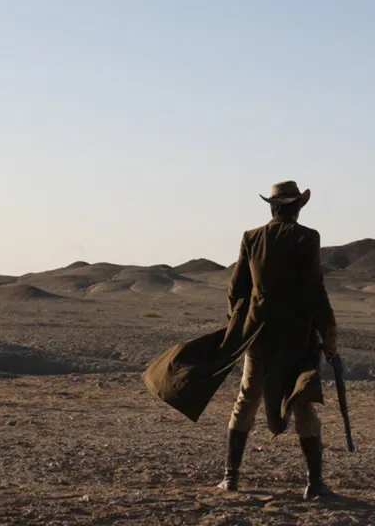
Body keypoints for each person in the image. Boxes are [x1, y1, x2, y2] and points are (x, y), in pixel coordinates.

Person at [141, 181, 340, 500]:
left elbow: (236, 290)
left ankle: (230, 478)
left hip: (256, 335)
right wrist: (328, 334)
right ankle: (314, 483)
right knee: (301, 399)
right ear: (297, 207)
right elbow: (314, 290)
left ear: (273, 207)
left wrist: (241, 326)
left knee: (247, 398)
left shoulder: (251, 237)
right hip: (297, 339)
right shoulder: (307, 237)